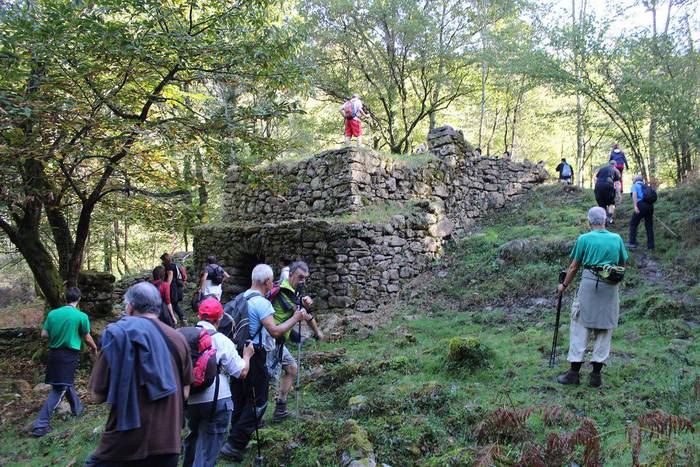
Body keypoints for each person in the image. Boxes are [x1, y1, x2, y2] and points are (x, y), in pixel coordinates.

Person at [85, 282, 193, 467]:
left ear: (130, 307)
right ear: (158, 307)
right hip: (168, 443)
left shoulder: (117, 334)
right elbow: (185, 392)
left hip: (123, 445)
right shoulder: (179, 339)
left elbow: (96, 396)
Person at [220, 264, 311, 462]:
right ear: (268, 281)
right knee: (259, 402)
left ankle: (234, 443)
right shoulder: (262, 303)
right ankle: (235, 443)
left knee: (241, 399)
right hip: (255, 354)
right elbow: (275, 331)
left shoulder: (241, 297)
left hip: (238, 353)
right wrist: (296, 318)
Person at [556, 207, 628, 388]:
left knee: (580, 325)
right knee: (604, 328)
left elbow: (573, 267)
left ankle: (573, 373)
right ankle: (596, 376)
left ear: (590, 221)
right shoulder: (616, 239)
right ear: (605, 220)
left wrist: (563, 285)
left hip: (589, 284)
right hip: (610, 287)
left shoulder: (584, 239)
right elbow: (622, 264)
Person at [183, 298, 255, 467]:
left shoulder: (185, 337)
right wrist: (247, 355)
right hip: (217, 401)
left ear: (199, 315)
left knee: (193, 439)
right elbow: (241, 372)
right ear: (220, 318)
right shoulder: (221, 340)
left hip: (189, 399)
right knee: (207, 452)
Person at [31, 287, 97, 437]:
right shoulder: (81, 316)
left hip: (53, 354)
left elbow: (44, 334)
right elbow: (86, 337)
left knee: (65, 382)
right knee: (59, 389)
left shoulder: (53, 314)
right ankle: (41, 425)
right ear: (78, 299)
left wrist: (57, 335)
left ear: (65, 298)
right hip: (68, 355)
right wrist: (94, 347)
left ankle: (77, 409)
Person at [267, 261, 324, 423]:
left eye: (305, 278)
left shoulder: (293, 291)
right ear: (290, 275)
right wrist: (317, 332)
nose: (303, 281)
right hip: (270, 342)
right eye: (300, 277)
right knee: (266, 382)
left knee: (291, 369)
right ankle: (253, 420)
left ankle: (280, 409)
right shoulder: (284, 291)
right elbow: (302, 314)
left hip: (279, 342)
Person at [628, 175, 654, 250]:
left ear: (635, 180)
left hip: (641, 205)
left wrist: (635, 206)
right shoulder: (646, 186)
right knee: (649, 226)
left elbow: (634, 195)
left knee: (633, 224)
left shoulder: (635, 186)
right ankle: (651, 246)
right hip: (650, 206)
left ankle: (632, 243)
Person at [161, 252, 186, 324]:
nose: (162, 262)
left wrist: (166, 287)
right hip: (177, 286)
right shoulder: (175, 265)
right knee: (174, 304)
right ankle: (182, 318)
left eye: (163, 260)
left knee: (171, 303)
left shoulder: (169, 266)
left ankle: (175, 319)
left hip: (172, 288)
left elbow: (170, 277)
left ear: (165, 260)